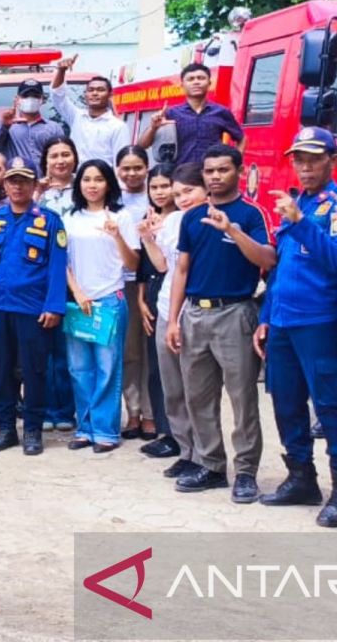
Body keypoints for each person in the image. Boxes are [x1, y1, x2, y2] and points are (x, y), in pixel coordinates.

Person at [166, 144, 274, 503]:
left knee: (242, 398)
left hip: (236, 313)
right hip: (195, 314)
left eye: (223, 170)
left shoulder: (251, 212)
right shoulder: (192, 218)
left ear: (238, 171)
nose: (215, 176)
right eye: (209, 171)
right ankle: (211, 465)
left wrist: (234, 231)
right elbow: (182, 269)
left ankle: (245, 473)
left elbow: (268, 259)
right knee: (198, 396)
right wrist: (174, 318)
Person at [255, 127, 337, 526]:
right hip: (284, 322)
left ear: (330, 161)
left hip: (320, 322)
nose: (304, 166)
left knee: (330, 406)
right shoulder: (296, 202)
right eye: (298, 159)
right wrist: (266, 317)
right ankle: (301, 478)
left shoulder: (331, 205)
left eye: (313, 158)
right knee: (285, 402)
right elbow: (282, 268)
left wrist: (302, 222)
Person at [0, 156, 67, 455]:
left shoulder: (49, 221)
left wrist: (55, 306)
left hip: (33, 308)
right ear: (5, 185)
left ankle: (32, 429)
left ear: (34, 185)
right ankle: (5, 427)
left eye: (24, 180)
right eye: (12, 180)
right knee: (0, 368)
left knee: (33, 370)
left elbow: (58, 266)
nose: (17, 186)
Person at [63, 160, 140, 453]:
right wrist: (77, 292)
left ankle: (105, 431)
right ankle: (85, 429)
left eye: (98, 179)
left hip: (110, 299)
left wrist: (116, 235)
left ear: (109, 183)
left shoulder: (122, 217)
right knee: (79, 368)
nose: (92, 185)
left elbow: (133, 263)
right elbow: (62, 262)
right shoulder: (70, 218)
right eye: (86, 179)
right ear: (78, 184)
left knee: (108, 367)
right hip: (78, 301)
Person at [138, 162, 207, 473]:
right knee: (173, 387)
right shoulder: (173, 220)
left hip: (195, 311)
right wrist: (148, 239)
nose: (182, 198)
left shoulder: (213, 219)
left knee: (197, 389)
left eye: (188, 191)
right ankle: (185, 450)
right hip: (168, 309)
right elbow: (165, 266)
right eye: (178, 193)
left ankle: (205, 456)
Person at [36, 136, 79, 432]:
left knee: (70, 349)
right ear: (46, 162)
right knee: (45, 349)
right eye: (54, 156)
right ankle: (47, 407)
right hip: (46, 278)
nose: (60, 160)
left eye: (66, 154)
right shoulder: (39, 197)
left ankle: (67, 409)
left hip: (82, 279)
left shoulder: (86, 189)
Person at [134, 165, 176, 456]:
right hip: (151, 292)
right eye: (154, 187)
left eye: (165, 186)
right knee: (156, 369)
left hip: (174, 291)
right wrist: (139, 300)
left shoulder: (181, 219)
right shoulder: (147, 219)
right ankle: (164, 431)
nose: (160, 192)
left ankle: (179, 433)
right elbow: (143, 267)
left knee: (175, 370)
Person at [114, 145, 154, 440]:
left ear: (147, 168)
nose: (131, 173)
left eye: (137, 167)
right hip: (123, 281)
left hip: (153, 281)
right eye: (126, 168)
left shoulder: (157, 195)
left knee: (150, 349)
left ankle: (152, 414)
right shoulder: (111, 199)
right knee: (129, 351)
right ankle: (134, 411)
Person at [139, 63, 245, 165]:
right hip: (181, 176)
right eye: (190, 79)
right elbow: (142, 145)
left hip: (211, 175)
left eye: (201, 78)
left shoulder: (221, 112)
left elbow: (242, 138)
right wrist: (153, 128)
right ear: (182, 85)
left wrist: (235, 163)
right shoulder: (171, 113)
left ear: (209, 83)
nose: (196, 82)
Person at [50, 55, 129, 165]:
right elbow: (57, 97)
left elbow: (121, 163)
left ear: (110, 95)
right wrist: (61, 71)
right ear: (85, 95)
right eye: (91, 90)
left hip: (104, 180)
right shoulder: (76, 117)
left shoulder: (118, 126)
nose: (95, 93)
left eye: (100, 90)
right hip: (77, 180)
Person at [0, 81, 65, 171]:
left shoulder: (53, 128)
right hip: (16, 181)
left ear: (42, 100)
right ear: (17, 99)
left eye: (35, 96)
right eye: (26, 96)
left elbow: (61, 154)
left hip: (46, 182)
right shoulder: (8, 125)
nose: (30, 99)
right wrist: (4, 125)